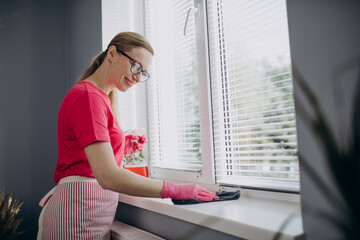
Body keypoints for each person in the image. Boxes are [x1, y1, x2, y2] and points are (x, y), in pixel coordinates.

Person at [37, 32, 218, 240]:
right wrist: (176, 189)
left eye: (144, 73)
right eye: (136, 66)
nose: (138, 77)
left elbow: (88, 157)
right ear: (112, 53)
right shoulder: (89, 97)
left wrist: (120, 146)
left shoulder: (100, 97)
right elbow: (107, 176)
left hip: (88, 213)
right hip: (76, 215)